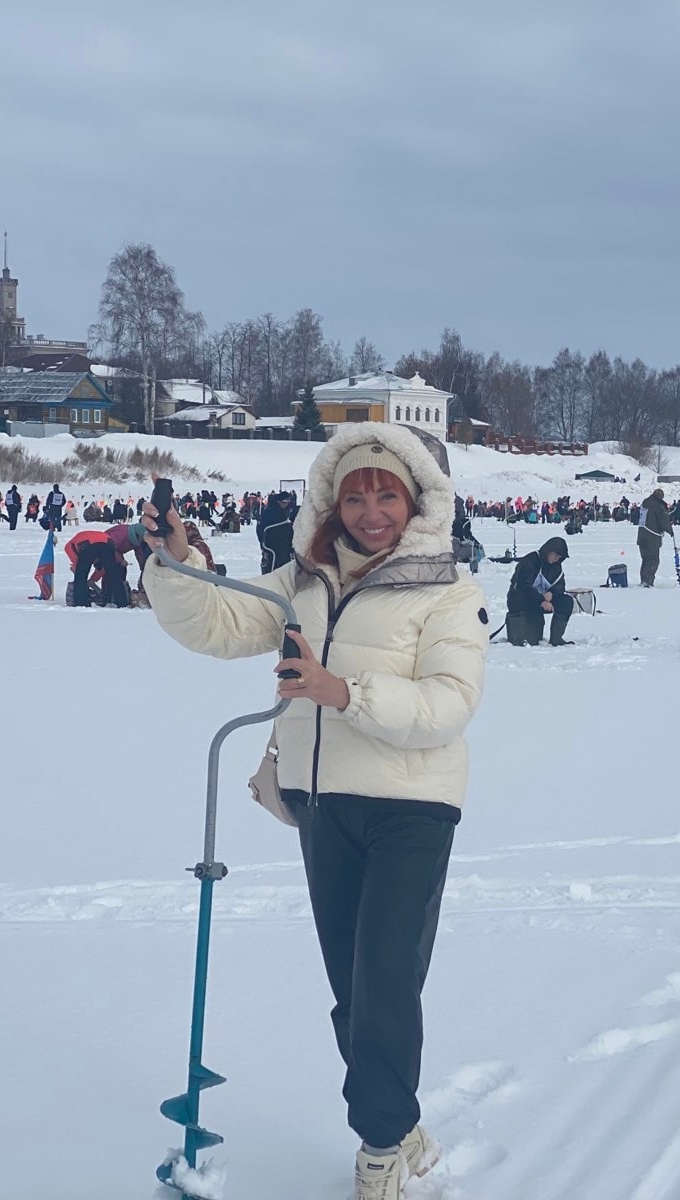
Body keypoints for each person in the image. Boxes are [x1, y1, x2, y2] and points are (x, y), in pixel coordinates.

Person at [140, 424, 487, 1200]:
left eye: (387, 496)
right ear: (332, 504)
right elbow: (217, 624)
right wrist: (175, 561)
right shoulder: (304, 581)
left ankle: (380, 1145)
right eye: (355, 497)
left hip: (411, 808)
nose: (371, 512)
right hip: (323, 803)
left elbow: (448, 705)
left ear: (416, 502)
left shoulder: (448, 590)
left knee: (385, 977)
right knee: (353, 991)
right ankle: (399, 1120)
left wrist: (344, 692)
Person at [506, 537, 572, 646]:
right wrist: (541, 600)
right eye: (556, 555)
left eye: (560, 557)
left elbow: (560, 586)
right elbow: (521, 585)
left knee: (566, 601)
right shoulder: (530, 561)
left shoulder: (556, 568)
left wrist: (552, 593)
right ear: (548, 551)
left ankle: (556, 639)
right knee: (517, 596)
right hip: (526, 601)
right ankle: (518, 637)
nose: (557, 559)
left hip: (544, 601)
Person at [636, 488, 670, 586]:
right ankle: (648, 581)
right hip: (652, 538)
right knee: (653, 560)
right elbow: (664, 521)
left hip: (642, 537)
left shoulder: (645, 504)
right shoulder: (658, 507)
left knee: (645, 559)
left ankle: (644, 580)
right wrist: (670, 530)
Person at [258, 490, 297, 573]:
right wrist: (263, 543)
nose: (285, 505)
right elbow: (261, 528)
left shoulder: (287, 511)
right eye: (284, 502)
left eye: (287, 502)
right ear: (278, 501)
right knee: (272, 568)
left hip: (285, 545)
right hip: (272, 544)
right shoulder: (270, 511)